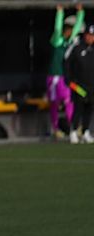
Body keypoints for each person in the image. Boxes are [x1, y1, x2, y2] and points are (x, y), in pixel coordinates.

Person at [48, 5, 86, 140]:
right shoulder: (57, 41)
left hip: (65, 77)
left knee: (69, 101)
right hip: (54, 77)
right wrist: (60, 13)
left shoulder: (70, 42)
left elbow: (77, 29)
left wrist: (80, 13)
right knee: (55, 103)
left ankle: (74, 127)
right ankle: (55, 129)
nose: (72, 32)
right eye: (69, 29)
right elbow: (57, 29)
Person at [67, 24, 94, 142]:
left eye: (92, 36)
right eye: (89, 35)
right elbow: (67, 64)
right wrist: (69, 81)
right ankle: (73, 131)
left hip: (92, 86)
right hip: (79, 86)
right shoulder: (77, 48)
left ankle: (85, 131)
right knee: (79, 107)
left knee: (89, 107)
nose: (90, 38)